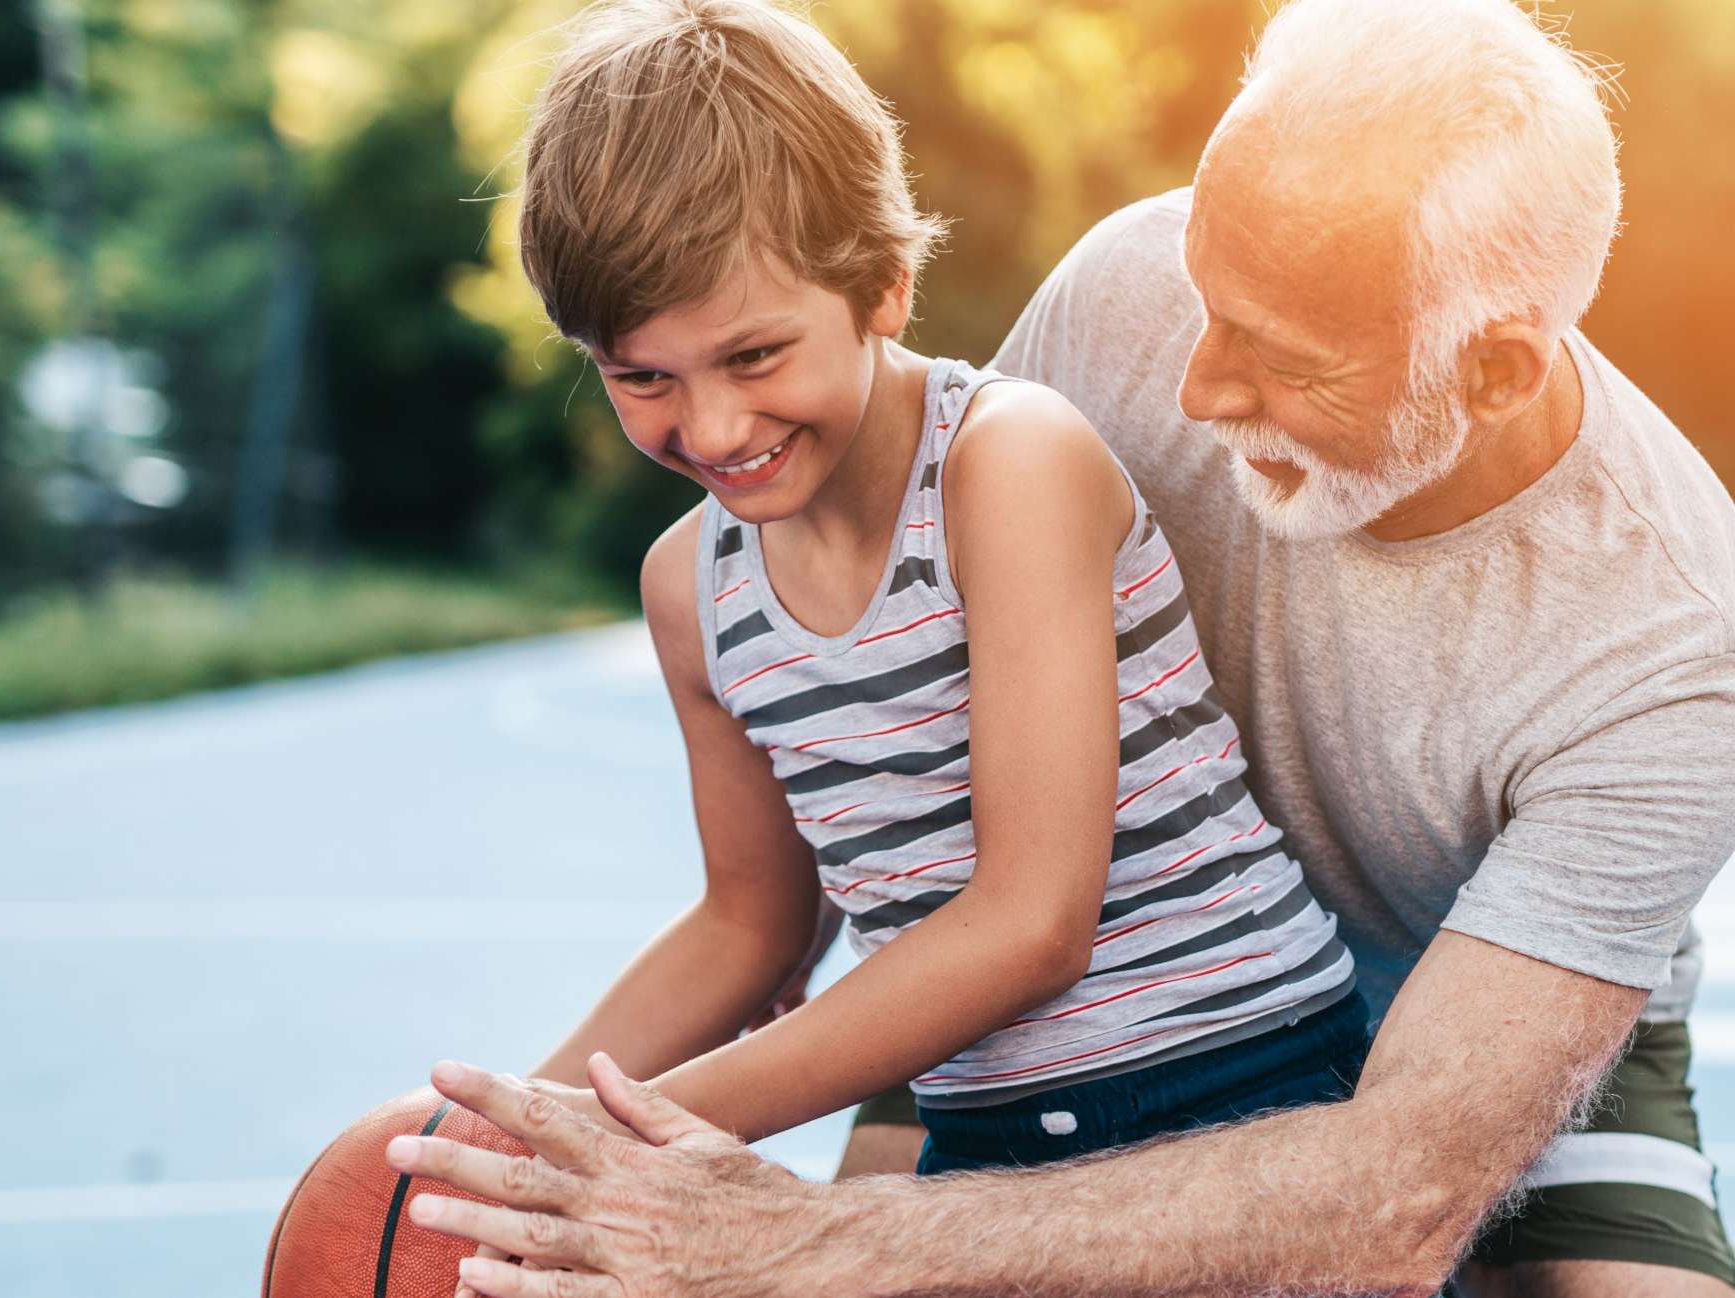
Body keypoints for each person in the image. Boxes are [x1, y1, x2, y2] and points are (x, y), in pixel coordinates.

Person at [388, 0, 1735, 1293]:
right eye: (1203, 293)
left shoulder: (1675, 655)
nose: (1187, 381)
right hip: (1022, 981)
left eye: (1274, 350)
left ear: (1492, 369)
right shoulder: (1123, 292)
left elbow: (1394, 1186)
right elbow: (886, 772)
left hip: (1475, 1024)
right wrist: (518, 1138)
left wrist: (790, 1219)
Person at [479, 0, 1365, 1232]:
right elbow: (750, 924)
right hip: (987, 1130)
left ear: (885, 287)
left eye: (754, 356)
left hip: (1237, 1084)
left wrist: (634, 1139)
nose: (715, 426)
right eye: (644, 376)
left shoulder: (1007, 466)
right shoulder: (693, 590)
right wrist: (500, 1127)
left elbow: (1032, 919)